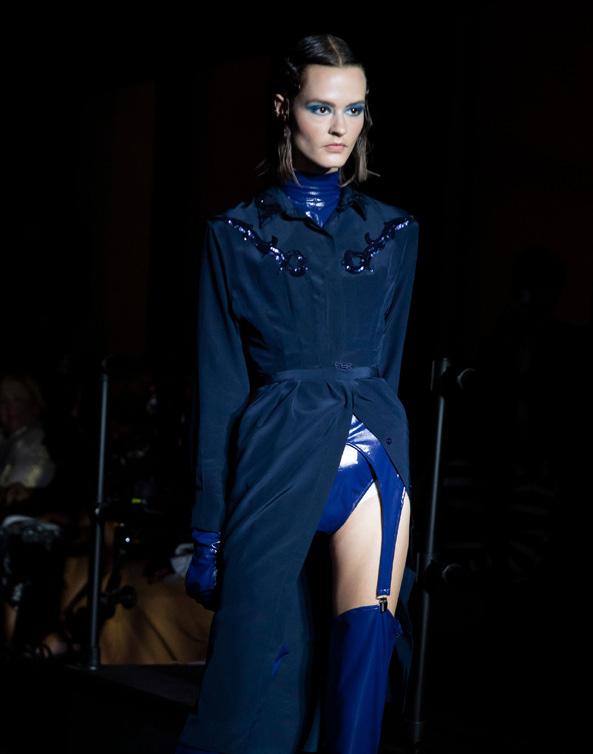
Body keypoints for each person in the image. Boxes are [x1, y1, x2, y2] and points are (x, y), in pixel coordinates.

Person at [176, 33, 419, 754]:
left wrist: (391, 432)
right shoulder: (234, 234)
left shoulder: (395, 232)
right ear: (285, 109)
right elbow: (219, 383)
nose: (341, 127)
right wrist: (207, 529)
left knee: (363, 657)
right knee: (248, 663)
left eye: (355, 109)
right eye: (321, 107)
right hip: (276, 452)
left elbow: (389, 360)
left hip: (373, 452)